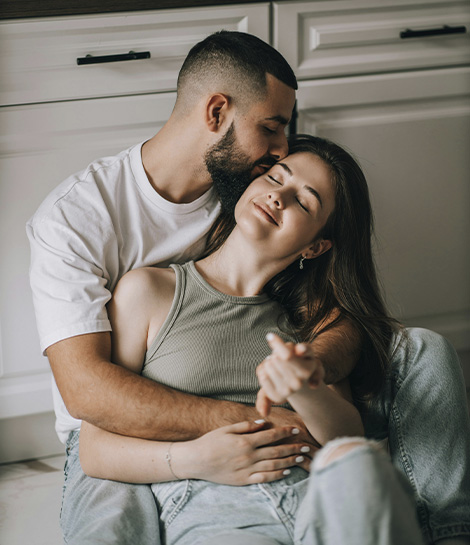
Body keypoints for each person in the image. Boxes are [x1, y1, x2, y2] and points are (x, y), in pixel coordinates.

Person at [27, 31, 362, 545]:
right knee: (111, 524)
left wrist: (309, 379)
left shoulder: (246, 196)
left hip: (262, 433)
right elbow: (87, 392)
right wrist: (266, 426)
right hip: (113, 426)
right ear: (216, 113)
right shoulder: (76, 216)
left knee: (419, 357)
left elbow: (334, 312)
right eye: (271, 129)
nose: (279, 152)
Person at [78, 134, 426, 545]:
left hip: (319, 502)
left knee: (361, 464)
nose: (281, 197)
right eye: (278, 178)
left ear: (315, 247)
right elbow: (93, 448)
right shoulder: (150, 292)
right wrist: (191, 459)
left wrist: (304, 388)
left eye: (304, 201)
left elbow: (345, 437)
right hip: (215, 507)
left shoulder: (309, 322)